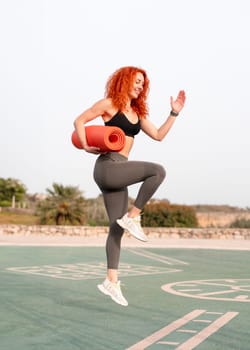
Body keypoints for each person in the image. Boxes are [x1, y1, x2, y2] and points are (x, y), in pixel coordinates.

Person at [74, 66, 186, 307]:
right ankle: (134, 217)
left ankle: (110, 281)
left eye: (142, 84)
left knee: (116, 228)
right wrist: (85, 145)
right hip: (107, 167)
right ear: (124, 81)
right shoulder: (109, 104)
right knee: (157, 171)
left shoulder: (137, 112)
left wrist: (174, 113)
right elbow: (80, 120)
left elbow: (158, 135)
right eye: (136, 82)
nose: (140, 86)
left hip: (119, 168)